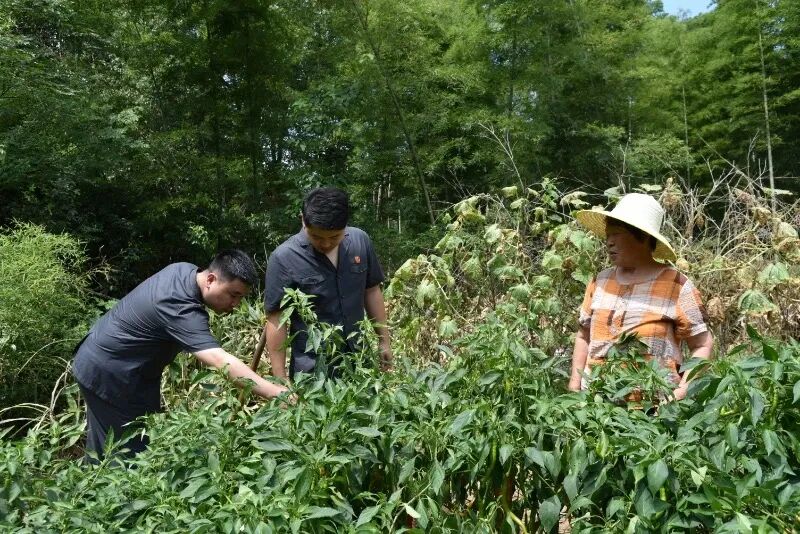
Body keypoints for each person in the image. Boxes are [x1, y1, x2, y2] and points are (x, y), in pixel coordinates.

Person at [72, 250, 289, 460]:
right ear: (211, 279)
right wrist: (274, 393)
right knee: (128, 455)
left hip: (116, 366)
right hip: (111, 376)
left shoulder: (184, 270)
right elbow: (218, 359)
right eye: (233, 295)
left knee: (110, 446)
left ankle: (93, 488)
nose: (235, 304)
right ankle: (105, 495)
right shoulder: (179, 306)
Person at [568, 193, 714, 401]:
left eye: (617, 234)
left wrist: (681, 392)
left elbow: (702, 345)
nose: (609, 242)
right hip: (595, 409)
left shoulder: (676, 285)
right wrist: (575, 385)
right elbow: (584, 336)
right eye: (608, 235)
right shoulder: (600, 282)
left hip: (654, 413)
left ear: (643, 237)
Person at [264, 187, 391, 380]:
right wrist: (280, 382)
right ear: (303, 220)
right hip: (312, 371)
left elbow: (372, 290)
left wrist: (384, 340)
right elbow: (276, 320)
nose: (325, 244)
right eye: (316, 236)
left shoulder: (360, 241)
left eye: (334, 237)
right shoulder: (284, 258)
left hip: (360, 361)